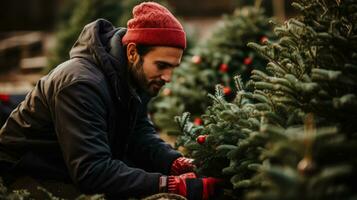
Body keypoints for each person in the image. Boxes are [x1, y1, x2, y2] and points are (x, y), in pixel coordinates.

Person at [0, 2, 221, 200]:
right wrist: (172, 185)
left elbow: (139, 134)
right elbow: (92, 171)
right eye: (162, 66)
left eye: (173, 67)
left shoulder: (135, 77)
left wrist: (174, 164)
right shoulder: (80, 85)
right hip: (27, 172)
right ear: (133, 52)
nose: (168, 78)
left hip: (74, 164)